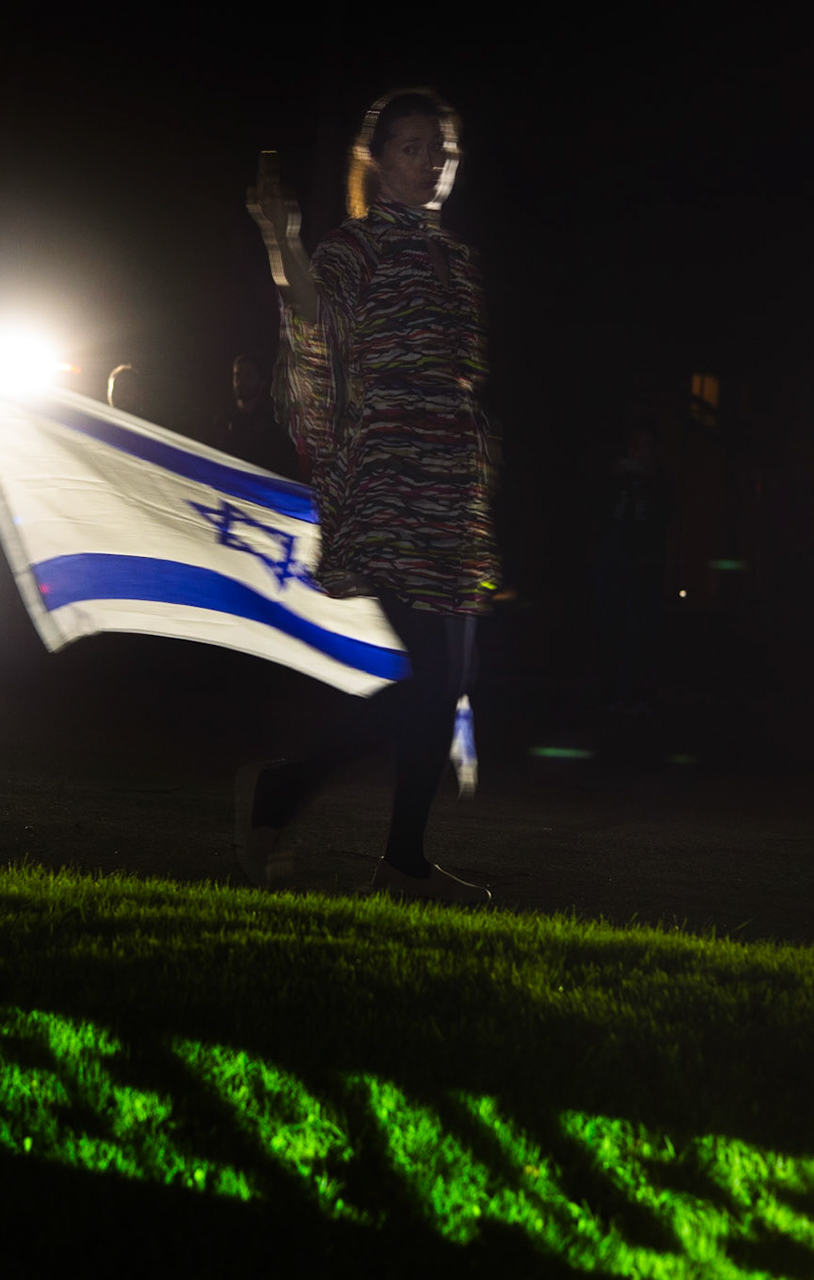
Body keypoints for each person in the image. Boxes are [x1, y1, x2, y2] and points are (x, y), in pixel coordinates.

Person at [240, 89, 496, 903]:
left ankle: (399, 861)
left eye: (442, 148)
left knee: (448, 679)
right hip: (388, 473)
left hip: (450, 478)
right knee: (429, 672)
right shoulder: (356, 246)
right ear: (378, 161)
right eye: (415, 147)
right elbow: (315, 315)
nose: (432, 161)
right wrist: (282, 242)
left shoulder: (455, 257)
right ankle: (292, 794)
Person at [210, 353, 302, 478]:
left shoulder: (273, 428)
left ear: (261, 382)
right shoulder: (222, 421)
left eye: (248, 376)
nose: (241, 382)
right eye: (237, 375)